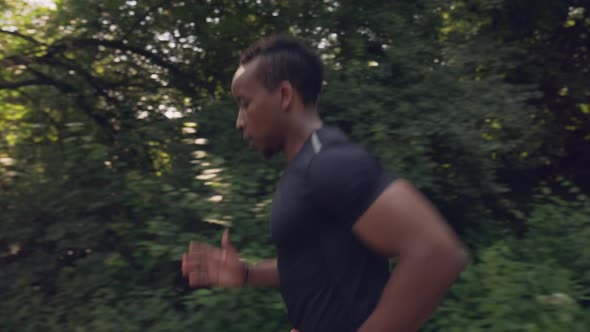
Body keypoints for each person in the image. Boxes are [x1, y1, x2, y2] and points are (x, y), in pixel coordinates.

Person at [181, 34, 468, 332]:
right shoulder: (305, 167)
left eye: (245, 103)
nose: (239, 121)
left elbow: (437, 253)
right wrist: (247, 274)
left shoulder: (329, 162)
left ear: (284, 96)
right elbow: (313, 264)